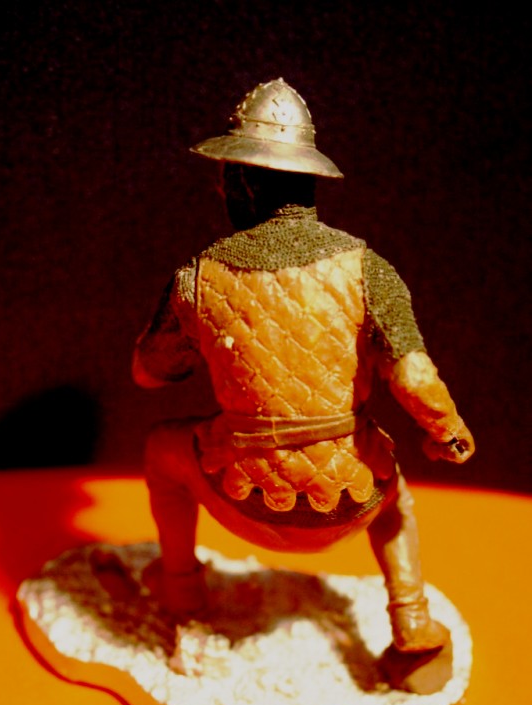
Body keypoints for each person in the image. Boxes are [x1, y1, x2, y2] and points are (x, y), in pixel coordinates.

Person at [133, 78, 474, 666]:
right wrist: (448, 432)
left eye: (225, 176)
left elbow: (149, 374)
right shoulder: (368, 267)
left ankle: (182, 590)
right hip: (349, 503)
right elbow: (415, 378)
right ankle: (411, 616)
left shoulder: (197, 276)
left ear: (242, 182)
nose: (220, 187)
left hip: (244, 500)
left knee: (162, 451)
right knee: (395, 496)